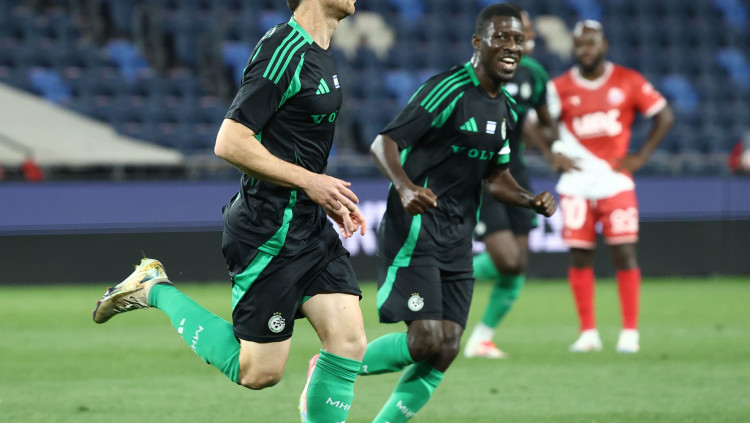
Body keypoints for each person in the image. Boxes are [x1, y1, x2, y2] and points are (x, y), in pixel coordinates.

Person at [92, 1, 370, 422]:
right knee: (259, 372)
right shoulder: (283, 51)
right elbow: (230, 141)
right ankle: (153, 288)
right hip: (268, 232)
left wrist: (321, 196)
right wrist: (309, 182)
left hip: (307, 223)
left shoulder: (320, 53)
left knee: (348, 342)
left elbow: (294, 143)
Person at [346, 5, 554, 422]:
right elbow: (384, 143)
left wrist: (528, 199)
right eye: (501, 37)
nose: (512, 46)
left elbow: (496, 176)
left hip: (459, 237)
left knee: (447, 348)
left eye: (518, 39)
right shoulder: (448, 89)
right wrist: (405, 187)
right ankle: (333, 365)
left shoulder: (507, 109)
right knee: (425, 339)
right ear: (478, 43)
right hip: (416, 229)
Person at [545, 20, 673, 353]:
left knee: (624, 253)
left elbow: (664, 115)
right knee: (579, 256)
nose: (585, 50)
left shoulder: (628, 80)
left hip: (615, 181)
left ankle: (629, 332)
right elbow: (534, 123)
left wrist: (642, 155)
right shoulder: (559, 87)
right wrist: (551, 153)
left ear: (604, 46)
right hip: (575, 184)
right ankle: (588, 333)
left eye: (591, 43)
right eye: (579, 44)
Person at [463, 6, 555, 359]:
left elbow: (545, 119)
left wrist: (554, 146)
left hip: (517, 171)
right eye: (513, 32)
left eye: (525, 31)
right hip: (484, 175)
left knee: (516, 265)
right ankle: (443, 272)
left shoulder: (534, 75)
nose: (521, 37)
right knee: (506, 260)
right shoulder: (481, 71)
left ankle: (482, 339)